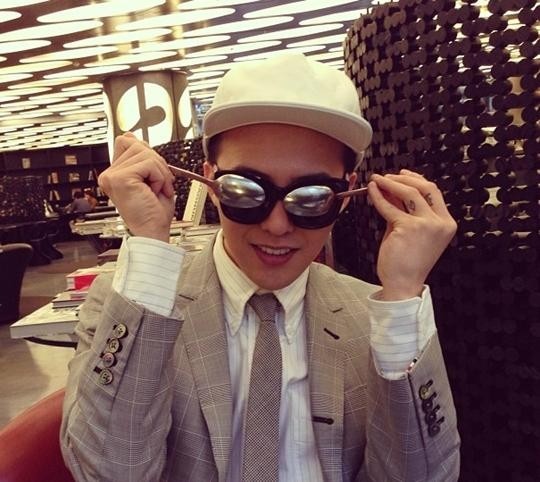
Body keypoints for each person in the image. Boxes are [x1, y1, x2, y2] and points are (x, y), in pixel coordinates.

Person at [61, 53, 460, 481]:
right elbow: (109, 471)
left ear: (344, 196)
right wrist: (149, 246)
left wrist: (403, 292)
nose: (276, 225)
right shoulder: (135, 306)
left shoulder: (373, 319)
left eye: (311, 198)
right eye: (245, 191)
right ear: (211, 183)